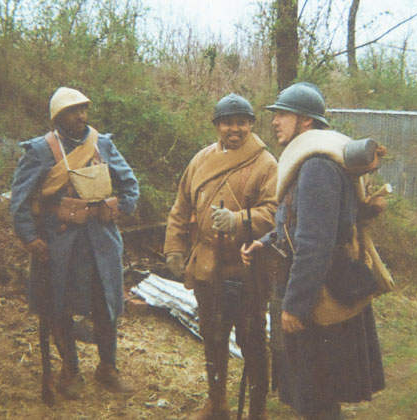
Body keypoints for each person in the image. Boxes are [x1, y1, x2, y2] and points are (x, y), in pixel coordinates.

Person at [241, 82, 386, 420]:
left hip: (318, 296)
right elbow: (293, 225)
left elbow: (314, 244)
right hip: (315, 288)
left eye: (282, 115)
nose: (275, 121)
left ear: (306, 121)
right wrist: (264, 244)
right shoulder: (310, 161)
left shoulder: (316, 166)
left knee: (317, 399)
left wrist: (295, 306)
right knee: (316, 396)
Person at [10, 87, 139, 399]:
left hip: (102, 242)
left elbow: (129, 185)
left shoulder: (102, 144)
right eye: (72, 111)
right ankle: (71, 370)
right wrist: (30, 237)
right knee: (59, 307)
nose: (80, 116)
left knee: (106, 304)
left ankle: (108, 367)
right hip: (61, 243)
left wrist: (120, 208)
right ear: (58, 117)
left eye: (83, 109)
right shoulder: (41, 150)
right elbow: (20, 200)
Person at [164, 93, 278, 420]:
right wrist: (174, 247)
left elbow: (274, 212)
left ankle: (257, 410)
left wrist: (240, 220)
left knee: (252, 340)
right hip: (206, 266)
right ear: (217, 125)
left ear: (251, 124)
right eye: (228, 122)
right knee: (213, 339)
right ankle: (217, 404)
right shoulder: (200, 160)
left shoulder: (265, 163)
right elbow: (180, 207)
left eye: (242, 122)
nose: (235, 129)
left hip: (246, 268)